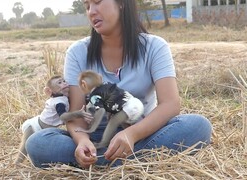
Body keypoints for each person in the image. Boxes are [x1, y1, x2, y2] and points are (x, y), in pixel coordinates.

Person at [26, 0, 212, 168]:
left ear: (121, 3)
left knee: (198, 126)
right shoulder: (77, 53)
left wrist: (131, 135)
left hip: (143, 135)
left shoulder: (155, 47)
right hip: (95, 140)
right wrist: (82, 141)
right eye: (87, 5)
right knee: (38, 143)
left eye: (97, 2)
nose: (91, 11)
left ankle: (105, 164)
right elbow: (76, 113)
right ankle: (124, 162)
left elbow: (170, 104)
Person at [14, 75, 70, 164]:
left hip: (45, 128)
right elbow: (64, 116)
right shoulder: (59, 102)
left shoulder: (63, 98)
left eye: (64, 81)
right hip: (34, 126)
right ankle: (17, 164)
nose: (64, 83)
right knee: (24, 148)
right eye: (59, 83)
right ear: (50, 90)